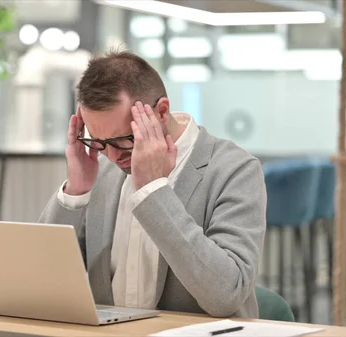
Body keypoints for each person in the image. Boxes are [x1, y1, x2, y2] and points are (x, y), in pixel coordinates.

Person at [38, 50, 267, 318]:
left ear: (161, 112)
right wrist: (75, 191)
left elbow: (226, 295)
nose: (111, 156)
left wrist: (154, 191)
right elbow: (39, 281)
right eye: (98, 141)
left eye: (122, 139)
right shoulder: (102, 171)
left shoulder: (234, 169)